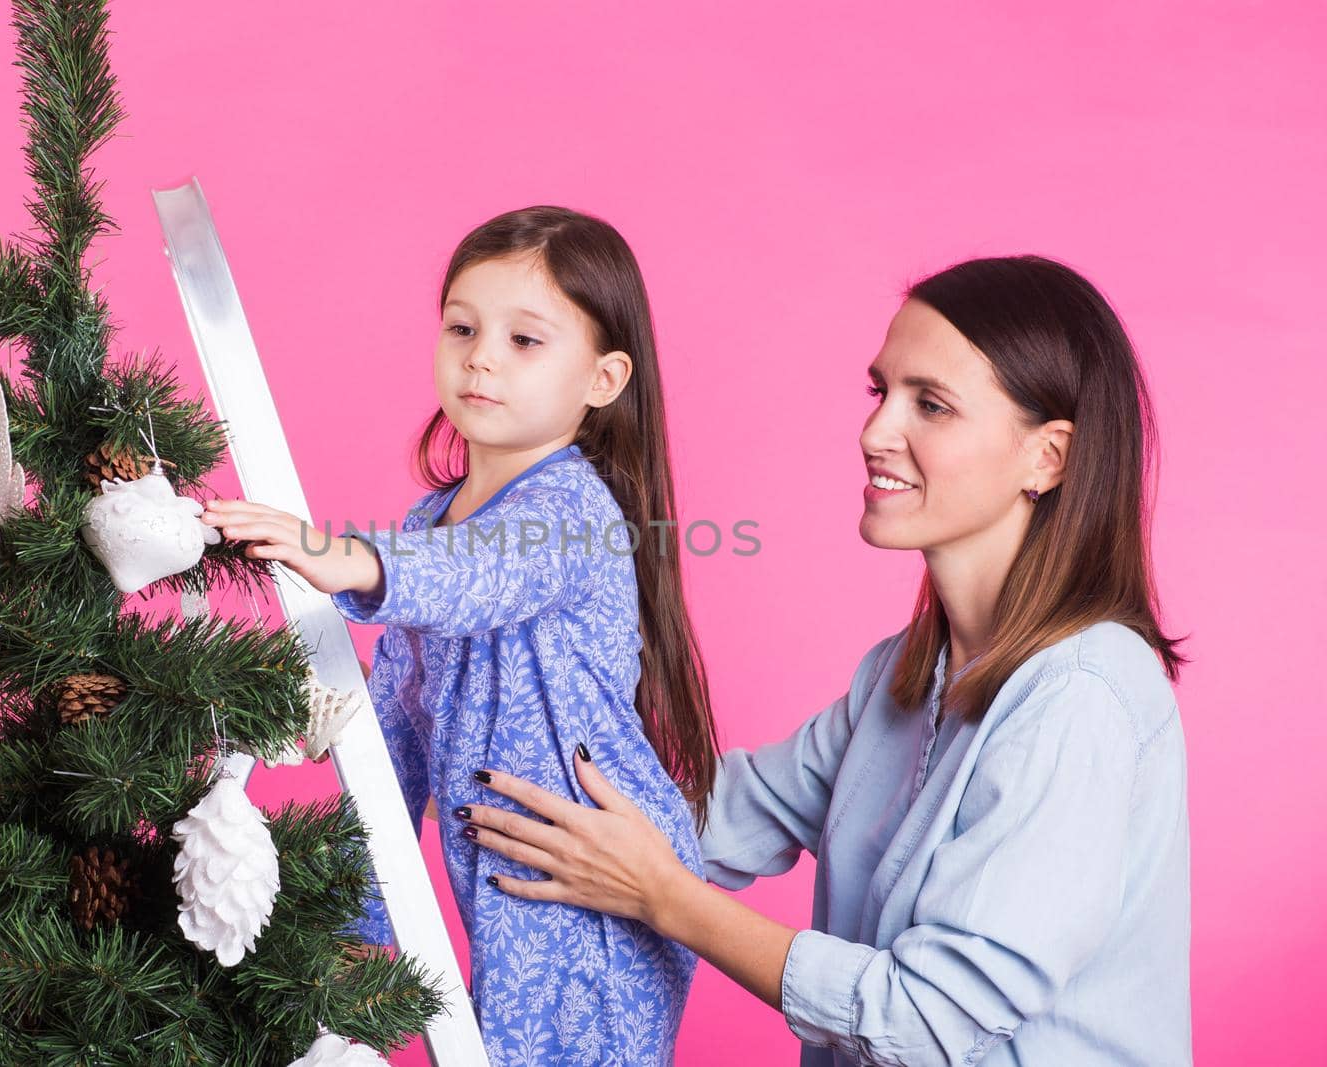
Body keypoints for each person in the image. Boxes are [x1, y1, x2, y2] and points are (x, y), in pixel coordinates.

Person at [458, 255, 1193, 1065]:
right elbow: (709, 819)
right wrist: (480, 765)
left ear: (1047, 457)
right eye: (881, 392)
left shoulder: (1081, 697)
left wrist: (665, 899)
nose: (874, 431)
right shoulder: (901, 677)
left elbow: (926, 1019)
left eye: (932, 405)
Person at [201, 205, 721, 1064]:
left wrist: (348, 558)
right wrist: (338, 918)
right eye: (462, 327)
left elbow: (486, 572)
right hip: (511, 873)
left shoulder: (573, 511)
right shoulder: (433, 518)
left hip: (598, 878)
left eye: (526, 340)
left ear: (603, 377)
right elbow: (399, 728)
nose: (481, 355)